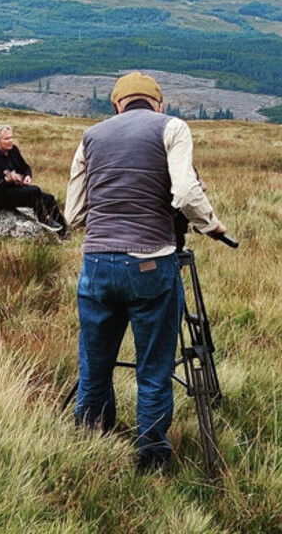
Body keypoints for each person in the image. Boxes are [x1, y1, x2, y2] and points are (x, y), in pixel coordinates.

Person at [64, 72, 225, 472]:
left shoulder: (91, 135)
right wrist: (211, 225)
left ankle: (90, 443)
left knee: (95, 361)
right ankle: (151, 456)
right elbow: (186, 193)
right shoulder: (172, 127)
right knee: (153, 366)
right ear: (158, 103)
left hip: (97, 261)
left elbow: (73, 214)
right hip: (152, 261)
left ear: (116, 104)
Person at [0, 124, 66, 233]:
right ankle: (43, 220)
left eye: (11, 137)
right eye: (6, 139)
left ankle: (63, 232)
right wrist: (6, 181)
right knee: (34, 190)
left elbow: (25, 167)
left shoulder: (13, 150)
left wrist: (27, 176)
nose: (11, 141)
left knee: (49, 199)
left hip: (14, 191)